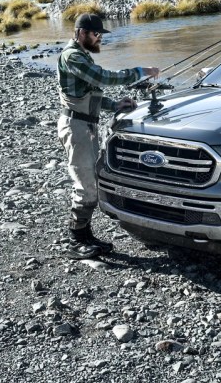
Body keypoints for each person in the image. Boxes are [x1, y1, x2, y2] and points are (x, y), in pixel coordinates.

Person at [57, 13, 160, 260]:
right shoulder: (72, 57)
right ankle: (75, 240)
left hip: (86, 126)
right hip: (76, 127)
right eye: (96, 34)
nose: (99, 37)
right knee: (87, 186)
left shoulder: (82, 56)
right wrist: (139, 71)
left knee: (92, 180)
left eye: (100, 34)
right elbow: (102, 77)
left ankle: (85, 235)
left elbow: (91, 95)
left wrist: (115, 105)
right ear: (82, 33)